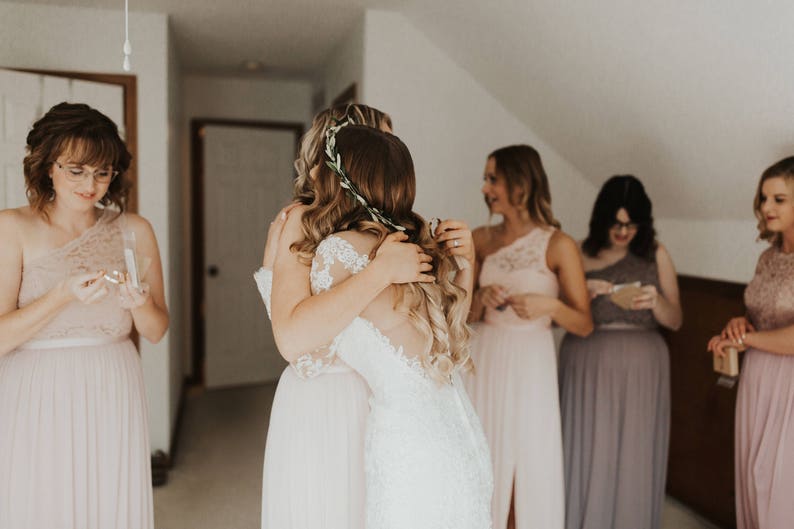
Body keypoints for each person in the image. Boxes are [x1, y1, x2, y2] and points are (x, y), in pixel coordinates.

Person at [269, 122, 492, 528]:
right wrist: (465, 267)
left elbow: (295, 339)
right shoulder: (410, 246)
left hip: (409, 441)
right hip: (458, 428)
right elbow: (448, 343)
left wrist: (379, 272)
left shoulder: (341, 249)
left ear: (339, 179)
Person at [254, 104, 437, 529]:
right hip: (326, 401)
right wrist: (380, 273)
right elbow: (295, 341)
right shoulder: (300, 220)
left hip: (385, 395)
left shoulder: (383, 226)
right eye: (382, 145)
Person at [0, 102, 168, 529]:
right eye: (76, 170)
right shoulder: (11, 228)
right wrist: (60, 295)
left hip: (112, 383)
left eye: (102, 172)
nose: (90, 184)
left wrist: (139, 303)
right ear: (47, 166)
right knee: (43, 501)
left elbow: (156, 330)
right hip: (37, 391)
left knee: (108, 502)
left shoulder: (135, 230)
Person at [465, 144, 592, 529]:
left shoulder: (559, 245)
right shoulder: (480, 240)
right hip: (484, 356)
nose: (485, 188)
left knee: (526, 463)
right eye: (486, 179)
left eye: (493, 179)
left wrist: (548, 307)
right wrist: (480, 298)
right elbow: (463, 315)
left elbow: (584, 323)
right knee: (483, 459)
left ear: (520, 184)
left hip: (531, 363)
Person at [559, 175, 682, 529]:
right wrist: (584, 292)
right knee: (588, 447)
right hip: (586, 360)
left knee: (634, 451)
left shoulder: (655, 253)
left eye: (631, 224)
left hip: (643, 364)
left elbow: (676, 320)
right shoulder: (580, 252)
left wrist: (657, 302)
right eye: (616, 223)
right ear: (602, 219)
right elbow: (557, 315)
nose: (623, 232)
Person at [707, 156, 794, 529]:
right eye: (763, 198)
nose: (766, 207)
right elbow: (761, 313)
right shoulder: (767, 257)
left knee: (781, 491)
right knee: (753, 484)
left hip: (790, 385)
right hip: (757, 380)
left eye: (779, 199)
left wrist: (750, 339)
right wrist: (740, 325)